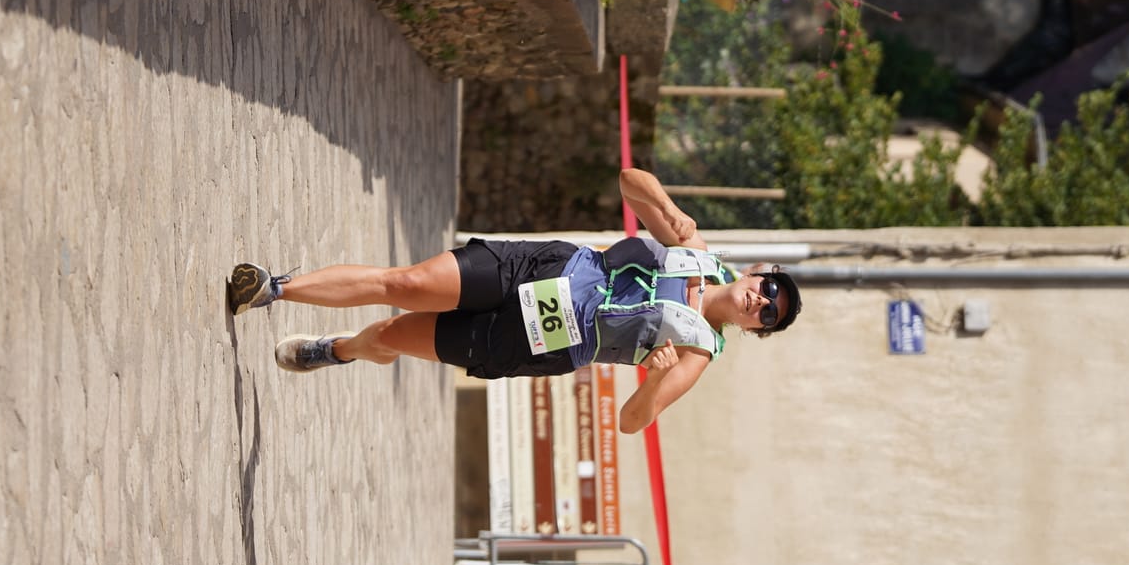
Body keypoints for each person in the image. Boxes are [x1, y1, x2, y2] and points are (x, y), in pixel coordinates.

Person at [227, 169, 801, 432]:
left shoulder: (696, 354)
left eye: (769, 315)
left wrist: (653, 380)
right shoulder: (692, 244)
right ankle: (273, 288)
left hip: (544, 341)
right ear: (757, 273)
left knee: (391, 335)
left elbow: (631, 422)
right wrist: (666, 205)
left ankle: (341, 350)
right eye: (770, 288)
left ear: (756, 331)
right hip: (544, 267)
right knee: (402, 283)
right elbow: (629, 181)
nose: (763, 301)